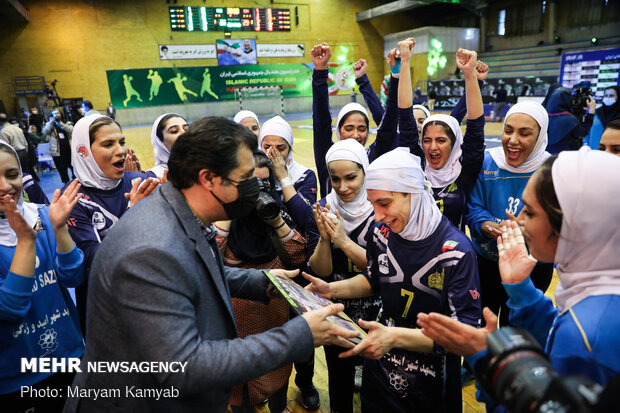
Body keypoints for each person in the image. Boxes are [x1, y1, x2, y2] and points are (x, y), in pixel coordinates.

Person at [63, 116, 358, 413]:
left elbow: (194, 272)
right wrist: (301, 334)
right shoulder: (151, 249)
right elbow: (184, 367)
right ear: (209, 179)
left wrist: (265, 281)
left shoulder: (179, 213)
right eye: (245, 180)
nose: (254, 191)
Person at [418, 148, 620, 407]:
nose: (519, 218)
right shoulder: (598, 295)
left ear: (575, 224)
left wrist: (488, 361)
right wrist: (522, 292)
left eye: (531, 212)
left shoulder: (588, 339)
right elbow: (557, 338)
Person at [305, 147, 481, 412]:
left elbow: (465, 335)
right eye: (373, 203)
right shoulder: (382, 233)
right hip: (380, 371)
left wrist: (395, 337)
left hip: (432, 383)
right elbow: (374, 279)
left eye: (384, 204)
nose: (377, 216)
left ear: (413, 193)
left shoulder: (456, 252)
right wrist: (331, 288)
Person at [214, 151, 307, 413]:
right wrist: (231, 208)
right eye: (249, 186)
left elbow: (298, 256)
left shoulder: (276, 217)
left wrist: (275, 219)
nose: (258, 193)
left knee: (278, 369)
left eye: (264, 185)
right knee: (239, 380)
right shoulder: (225, 221)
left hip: (274, 320)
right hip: (237, 327)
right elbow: (209, 256)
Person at [0, 142, 85, 412]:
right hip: (18, 376)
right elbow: (11, 308)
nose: (5, 186)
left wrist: (59, 228)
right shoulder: (30, 229)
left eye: (12, 175)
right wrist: (26, 242)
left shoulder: (40, 216)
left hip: (68, 357)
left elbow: (72, 276)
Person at [306, 139, 381, 413]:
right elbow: (322, 271)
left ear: (365, 172)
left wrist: (344, 241)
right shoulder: (324, 206)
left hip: (377, 309)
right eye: (335, 179)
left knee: (377, 380)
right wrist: (325, 241)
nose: (343, 187)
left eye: (351, 177)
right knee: (339, 381)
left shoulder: (380, 207)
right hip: (337, 309)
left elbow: (380, 271)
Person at [64, 114, 158, 333]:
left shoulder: (139, 181)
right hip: (105, 309)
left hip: (149, 298)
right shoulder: (73, 198)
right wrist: (133, 215)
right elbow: (94, 258)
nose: (121, 150)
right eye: (108, 144)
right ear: (83, 152)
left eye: (121, 142)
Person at [465, 101, 554, 327]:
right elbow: (473, 206)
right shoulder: (487, 161)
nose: (513, 140)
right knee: (484, 328)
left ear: (540, 136)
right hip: (485, 265)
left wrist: (529, 230)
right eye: (508, 130)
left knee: (516, 330)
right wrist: (485, 225)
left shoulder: (552, 170)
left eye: (524, 133)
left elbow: (559, 223)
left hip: (532, 269)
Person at [397, 41, 485, 230]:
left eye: (441, 140)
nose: (433, 147)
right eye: (427, 140)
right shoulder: (417, 164)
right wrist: (405, 61)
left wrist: (470, 75)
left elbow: (476, 127)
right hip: (415, 255)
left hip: (452, 256)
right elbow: (405, 118)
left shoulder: (464, 170)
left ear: (454, 145)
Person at [311, 43, 398, 197]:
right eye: (349, 128)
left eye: (362, 129)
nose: (356, 135)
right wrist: (320, 70)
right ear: (338, 130)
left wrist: (395, 75)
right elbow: (321, 122)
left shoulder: (374, 156)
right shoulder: (327, 154)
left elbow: (387, 123)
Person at [259, 116, 317, 228]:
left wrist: (283, 178)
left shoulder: (304, 175)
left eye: (280, 149)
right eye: (267, 147)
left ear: (290, 149)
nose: (272, 153)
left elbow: (305, 219)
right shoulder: (254, 173)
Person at [545, 87, 595, 154]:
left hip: (548, 156)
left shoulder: (545, 116)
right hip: (566, 156)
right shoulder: (570, 119)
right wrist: (591, 113)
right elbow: (582, 132)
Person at [146, 113, 188, 179]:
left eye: (187, 129)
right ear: (160, 142)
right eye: (174, 131)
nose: (184, 133)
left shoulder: (203, 165)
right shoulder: (153, 178)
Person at [42, 109, 74, 183]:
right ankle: (66, 182)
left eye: (58, 114)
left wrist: (60, 123)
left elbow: (70, 130)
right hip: (57, 151)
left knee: (73, 167)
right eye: (55, 114)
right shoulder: (50, 124)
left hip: (69, 150)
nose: (57, 116)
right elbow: (45, 132)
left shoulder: (67, 123)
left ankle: (76, 181)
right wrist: (51, 122)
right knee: (62, 169)